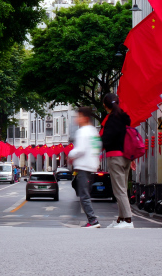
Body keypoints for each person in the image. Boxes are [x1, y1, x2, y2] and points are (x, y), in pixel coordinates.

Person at [100, 93, 134, 229]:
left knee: (119, 190)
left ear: (105, 106)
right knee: (122, 188)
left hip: (115, 157)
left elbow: (106, 140)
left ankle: (128, 220)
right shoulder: (124, 118)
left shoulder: (111, 120)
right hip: (126, 157)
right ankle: (121, 219)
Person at [68, 106, 102, 228]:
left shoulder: (82, 132)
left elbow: (80, 150)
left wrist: (71, 155)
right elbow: (97, 148)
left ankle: (93, 220)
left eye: (78, 116)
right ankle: (90, 220)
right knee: (85, 194)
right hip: (92, 167)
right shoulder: (94, 131)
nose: (76, 119)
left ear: (85, 117)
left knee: (84, 195)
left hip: (83, 166)